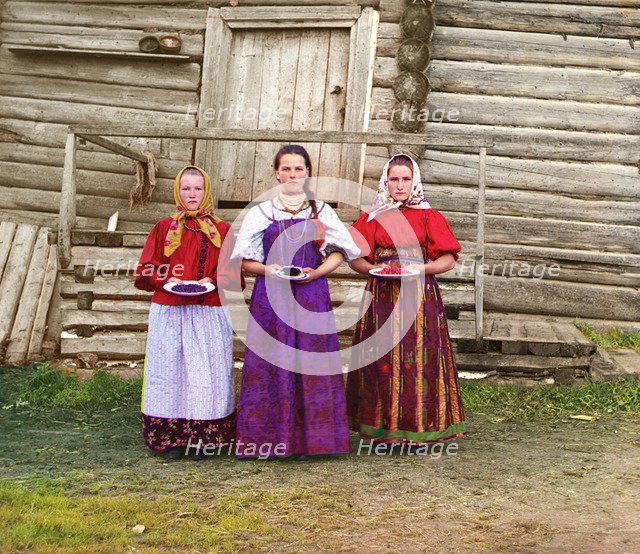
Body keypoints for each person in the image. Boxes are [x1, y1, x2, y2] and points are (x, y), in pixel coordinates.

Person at [232, 144, 361, 459]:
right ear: (277, 173)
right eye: (286, 168)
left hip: (310, 294)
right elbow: (244, 261)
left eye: (298, 169)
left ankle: (315, 442)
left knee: (311, 363)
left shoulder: (320, 212)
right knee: (272, 361)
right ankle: (268, 439)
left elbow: (340, 253)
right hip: (271, 297)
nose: (292, 174)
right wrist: (269, 269)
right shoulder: (261, 213)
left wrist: (316, 273)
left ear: (308, 173)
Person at [346, 153, 465, 445]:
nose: (400, 185)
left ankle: (421, 425)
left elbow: (448, 260)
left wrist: (420, 269)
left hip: (419, 297)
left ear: (415, 182)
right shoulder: (372, 218)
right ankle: (380, 428)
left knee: (420, 357)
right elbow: (354, 258)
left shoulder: (428, 216)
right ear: (385, 181)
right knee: (381, 358)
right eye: (394, 179)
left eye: (406, 179)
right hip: (382, 296)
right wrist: (373, 269)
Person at [134, 165, 238, 461]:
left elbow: (233, 273)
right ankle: (171, 439)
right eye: (186, 188)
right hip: (169, 310)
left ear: (206, 192)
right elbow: (146, 269)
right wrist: (167, 280)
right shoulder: (163, 228)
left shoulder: (223, 230)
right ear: (177, 192)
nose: (192, 194)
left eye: (198, 188)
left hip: (209, 311)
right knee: (169, 371)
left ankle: (204, 438)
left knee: (207, 372)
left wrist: (212, 281)